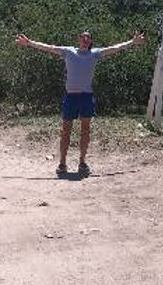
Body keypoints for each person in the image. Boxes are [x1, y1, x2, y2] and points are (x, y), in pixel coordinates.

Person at [15, 29, 146, 176]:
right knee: (66, 131)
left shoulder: (94, 53)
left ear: (90, 41)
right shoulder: (69, 51)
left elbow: (114, 48)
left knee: (85, 131)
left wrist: (132, 42)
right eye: (82, 37)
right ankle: (62, 163)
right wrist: (30, 43)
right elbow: (49, 47)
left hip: (86, 97)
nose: (85, 39)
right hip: (71, 97)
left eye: (87, 38)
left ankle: (82, 162)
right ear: (78, 39)